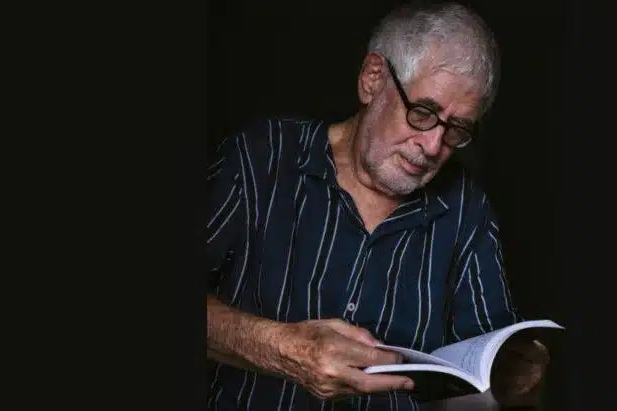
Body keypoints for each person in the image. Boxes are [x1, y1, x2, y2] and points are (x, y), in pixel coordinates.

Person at [206, 3, 550, 410]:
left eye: (457, 129)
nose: (433, 146)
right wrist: (286, 350)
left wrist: (515, 388)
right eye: (423, 112)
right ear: (372, 79)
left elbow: (477, 387)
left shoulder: (467, 211)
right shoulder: (262, 158)